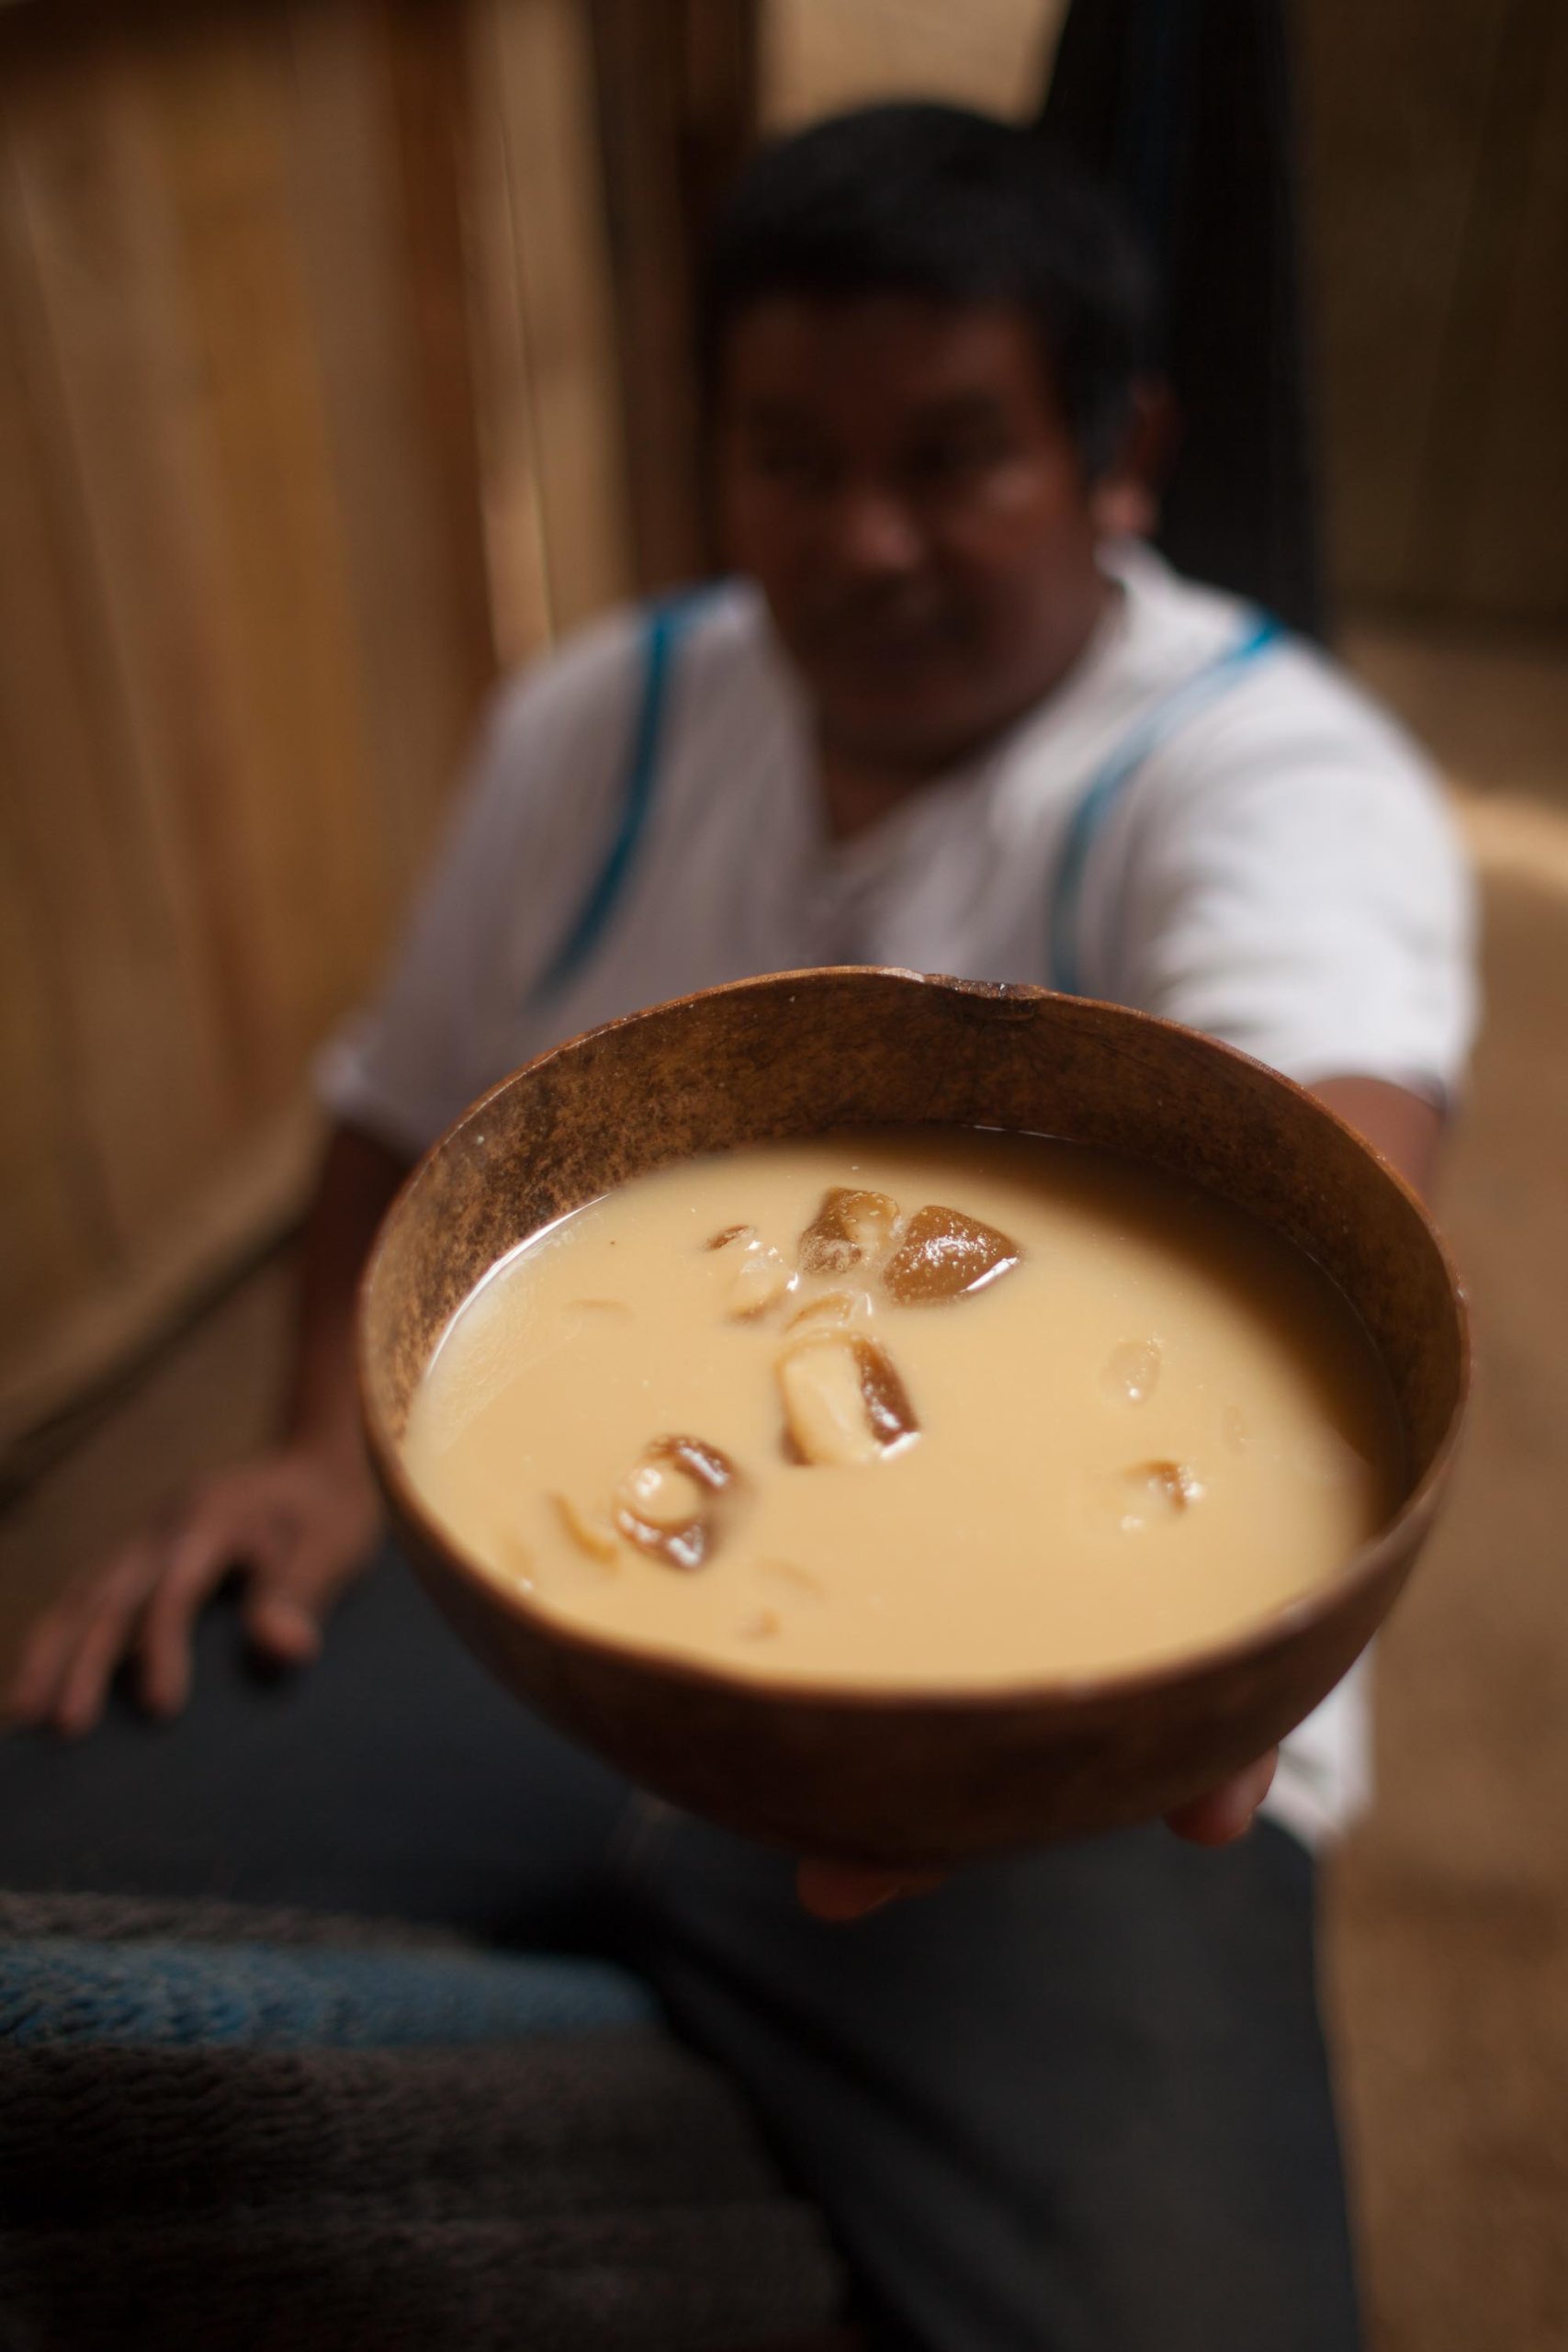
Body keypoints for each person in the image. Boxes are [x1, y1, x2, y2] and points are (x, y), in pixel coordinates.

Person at [3, 106, 1473, 2351]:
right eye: (786, 457)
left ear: (1119, 452)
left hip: (1076, 1758)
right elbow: (392, 1116)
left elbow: (1324, 1151)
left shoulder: (1267, 773)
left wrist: (1225, 1627)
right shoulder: (601, 712)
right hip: (533, 1616)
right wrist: (316, 1450)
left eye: (952, 455)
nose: (861, 538)